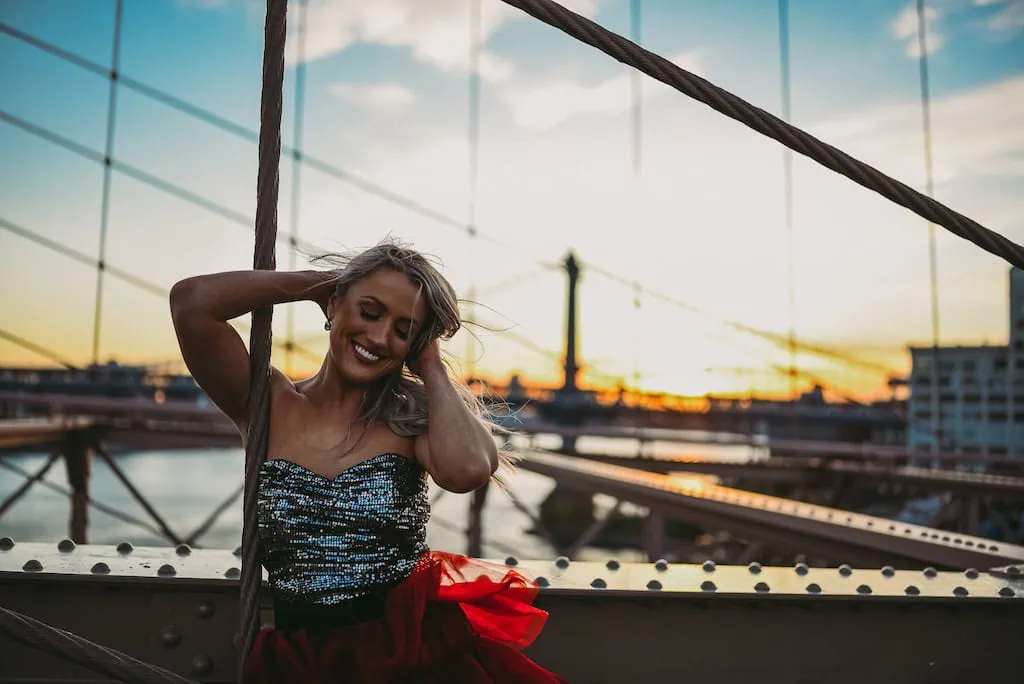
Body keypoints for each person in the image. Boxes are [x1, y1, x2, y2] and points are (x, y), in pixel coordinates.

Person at [170, 241, 567, 683]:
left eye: (402, 329)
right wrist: (319, 284)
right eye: (370, 312)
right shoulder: (267, 402)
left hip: (410, 659)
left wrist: (431, 363)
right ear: (335, 306)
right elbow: (192, 303)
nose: (379, 338)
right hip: (300, 662)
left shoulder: (410, 418)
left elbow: (468, 470)